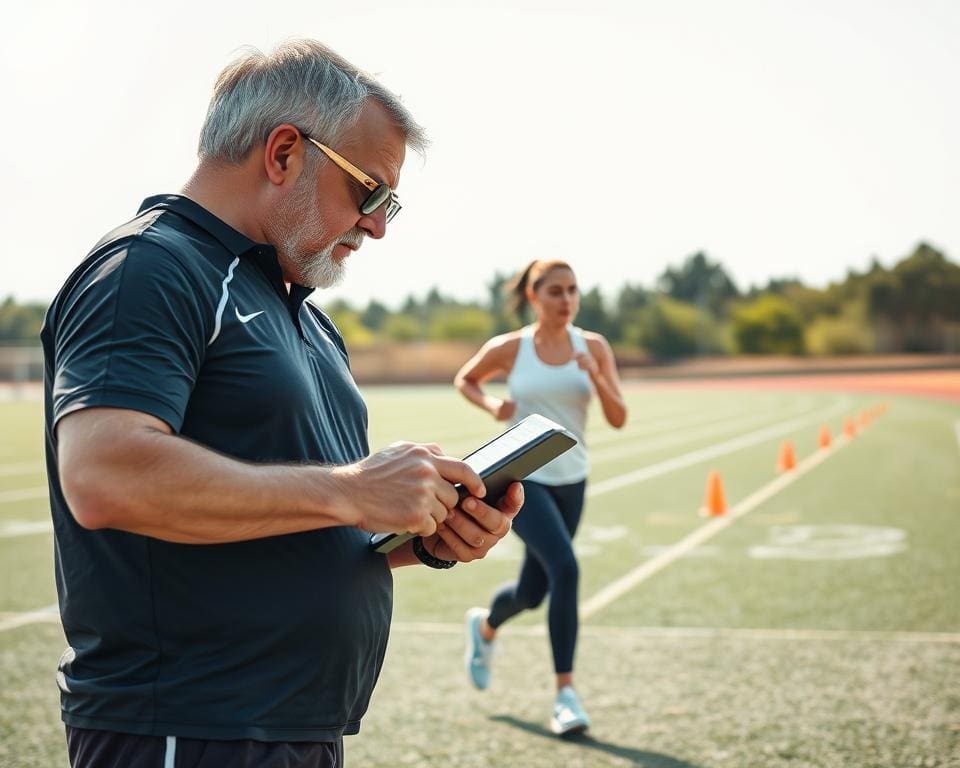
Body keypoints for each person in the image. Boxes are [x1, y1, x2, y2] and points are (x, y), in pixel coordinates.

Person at [41, 40, 523, 768]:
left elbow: (294, 523)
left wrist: (417, 534)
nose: (378, 225)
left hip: (284, 728)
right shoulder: (150, 269)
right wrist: (355, 489)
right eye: (371, 193)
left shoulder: (294, 305)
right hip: (187, 727)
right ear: (285, 154)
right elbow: (105, 475)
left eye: (390, 203)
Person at [454, 259, 627, 735]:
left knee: (534, 592)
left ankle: (486, 626)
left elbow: (618, 417)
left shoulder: (592, 346)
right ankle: (565, 696)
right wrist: (494, 405)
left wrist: (596, 375)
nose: (566, 300)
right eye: (555, 291)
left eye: (572, 290)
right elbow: (465, 379)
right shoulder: (511, 348)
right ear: (534, 296)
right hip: (522, 478)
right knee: (567, 567)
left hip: (574, 479)